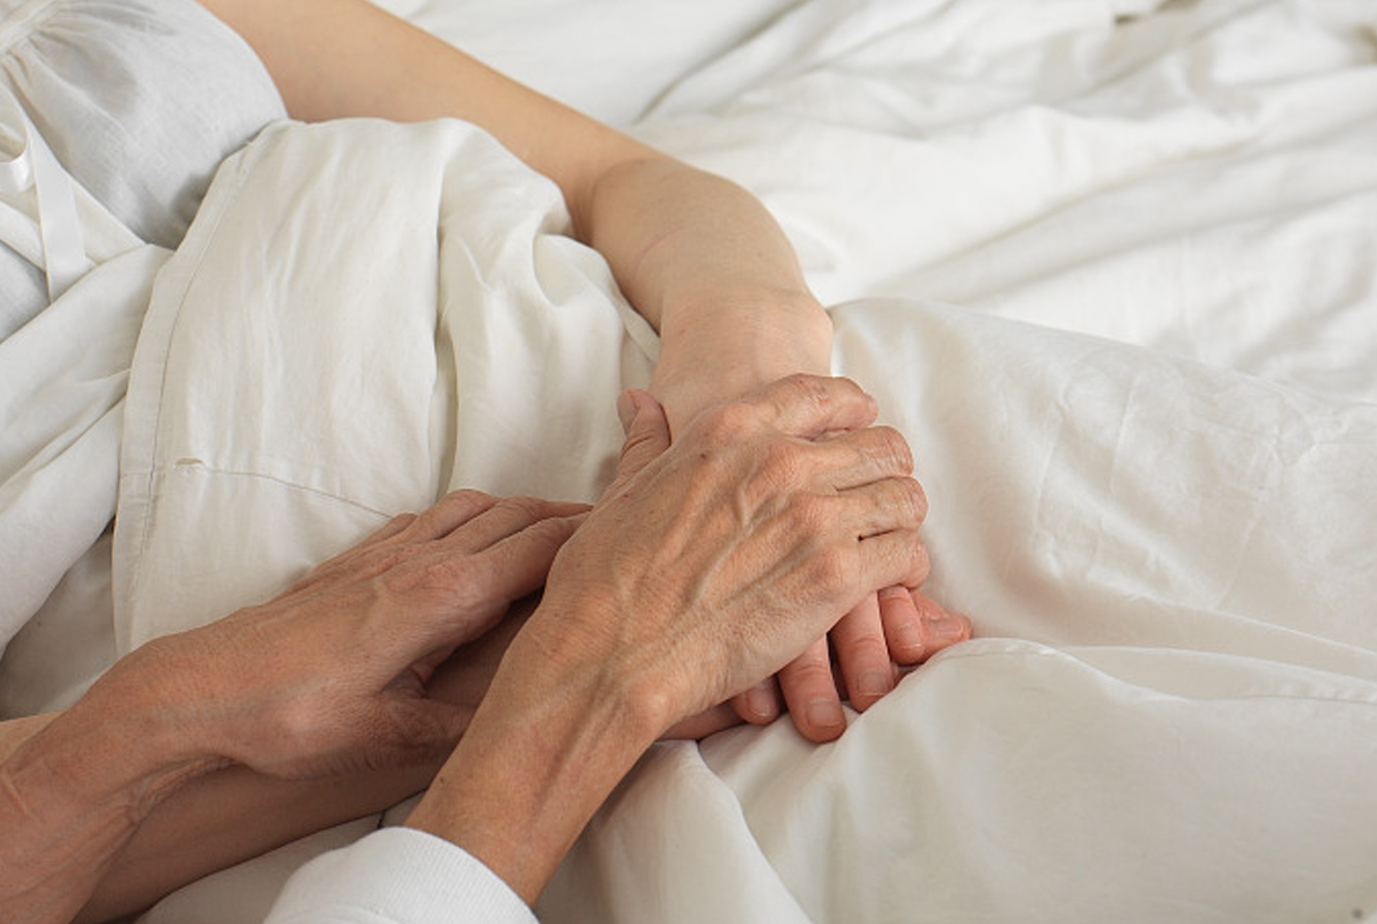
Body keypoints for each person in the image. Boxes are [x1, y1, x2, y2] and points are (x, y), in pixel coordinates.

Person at [0, 0, 969, 920]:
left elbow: (622, 180)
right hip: (360, 713)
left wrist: (750, 391)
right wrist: (527, 676)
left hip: (708, 408)